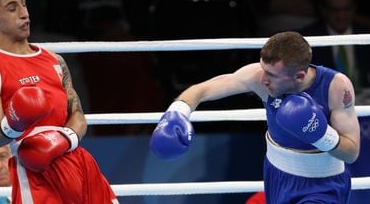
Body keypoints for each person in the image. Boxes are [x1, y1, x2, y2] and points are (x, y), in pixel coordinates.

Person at [150, 31, 360, 204]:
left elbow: (351, 153)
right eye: (263, 69)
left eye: (272, 75)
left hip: (323, 185)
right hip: (278, 177)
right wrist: (178, 111)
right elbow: (202, 90)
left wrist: (321, 134)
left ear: (299, 76)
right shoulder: (259, 77)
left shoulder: (336, 87)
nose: (263, 79)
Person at [0, 0, 118, 204]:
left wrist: (62, 139)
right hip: (34, 172)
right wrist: (16, 121)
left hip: (76, 159)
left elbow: (77, 115)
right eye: (12, 8)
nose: (24, 13)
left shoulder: (55, 60)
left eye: (24, 4)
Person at [299, 0, 370, 90]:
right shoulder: (307, 39)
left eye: (346, 9)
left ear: (354, 8)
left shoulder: (366, 34)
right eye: (335, 10)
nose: (341, 16)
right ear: (323, 10)